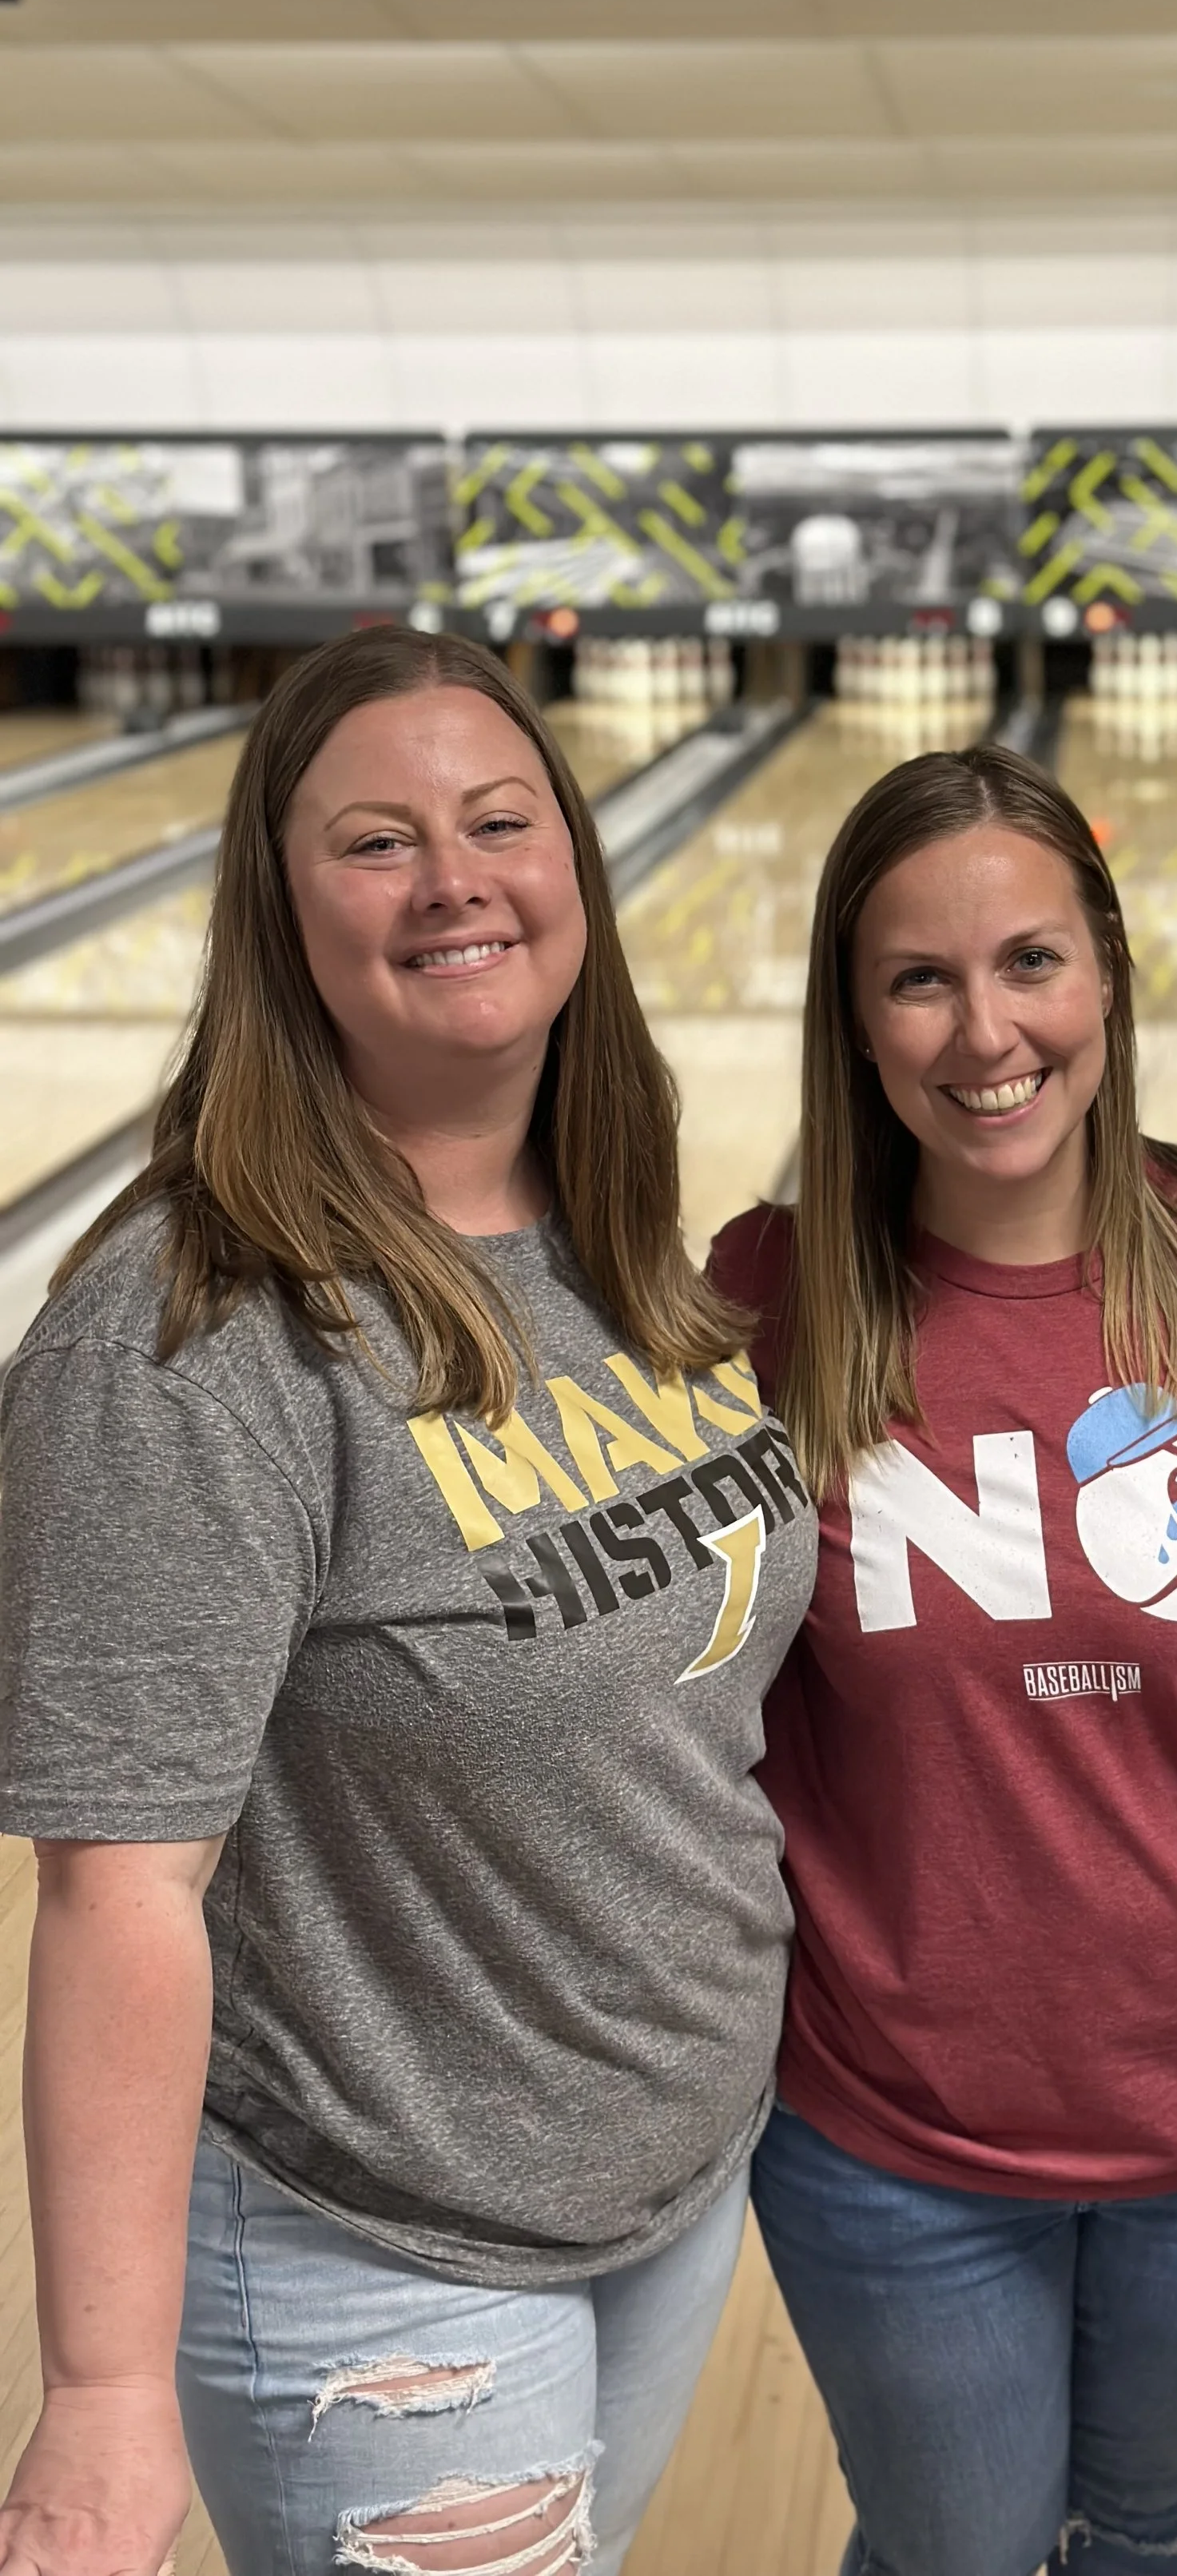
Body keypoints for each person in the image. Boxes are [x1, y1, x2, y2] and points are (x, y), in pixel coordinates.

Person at [0, 628, 817, 2576]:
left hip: (668, 2176)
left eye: (498, 821)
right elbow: (120, 1889)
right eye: (376, 842)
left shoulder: (615, 1233)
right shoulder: (191, 1338)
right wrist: (103, 2393)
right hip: (380, 2248)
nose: (454, 878)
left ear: (576, 870)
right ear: (281, 921)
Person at [710, 746, 1177, 2576]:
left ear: (1109, 974)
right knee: (954, 2553)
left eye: (1028, 963)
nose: (982, 1030)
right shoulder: (763, 1302)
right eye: (917, 976)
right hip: (888, 2131)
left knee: (1150, 2529)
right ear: (855, 1016)